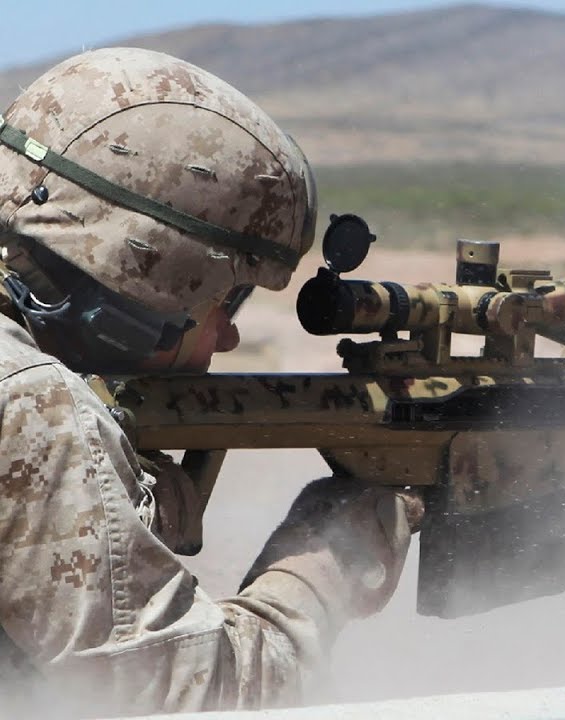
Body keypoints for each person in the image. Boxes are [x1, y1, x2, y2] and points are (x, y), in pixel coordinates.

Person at [0, 47, 423, 716]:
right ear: (150, 287)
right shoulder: (32, 405)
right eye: (229, 301)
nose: (227, 335)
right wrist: (323, 559)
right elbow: (193, 702)